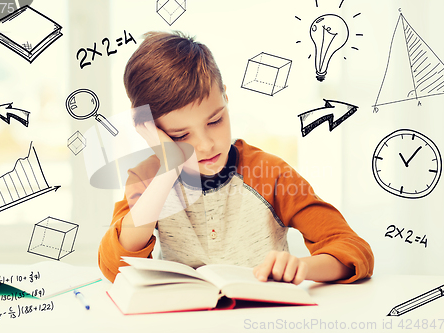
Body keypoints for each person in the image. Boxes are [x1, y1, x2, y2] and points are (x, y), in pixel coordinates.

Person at [98, 31, 374, 284]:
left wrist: (302, 267)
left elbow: (353, 249)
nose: (205, 145)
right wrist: (168, 169)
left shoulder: (271, 173)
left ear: (226, 97)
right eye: (181, 136)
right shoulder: (147, 180)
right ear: (150, 128)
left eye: (215, 121)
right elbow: (115, 266)